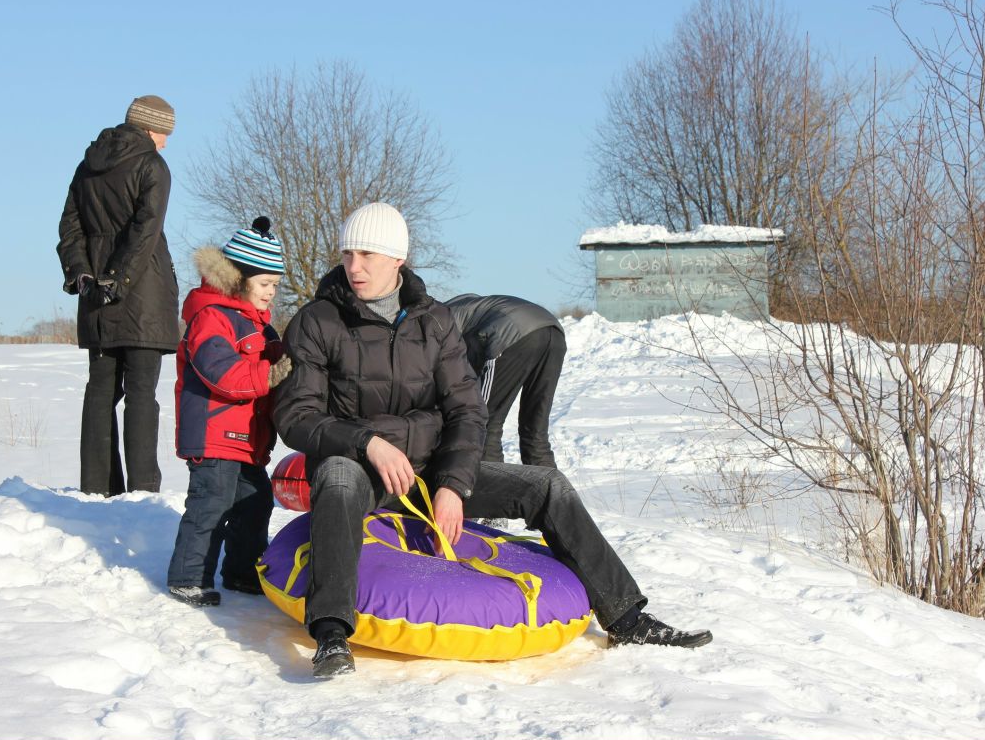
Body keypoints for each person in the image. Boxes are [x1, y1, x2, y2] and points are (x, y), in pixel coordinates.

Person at [273, 202, 712, 678]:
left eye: (366, 255)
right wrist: (367, 444)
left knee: (548, 486)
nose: (352, 266)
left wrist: (453, 483)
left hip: (427, 469)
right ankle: (333, 633)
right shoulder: (319, 321)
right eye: (347, 253)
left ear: (397, 260)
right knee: (336, 475)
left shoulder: (435, 322)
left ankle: (627, 617)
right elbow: (297, 415)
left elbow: (466, 409)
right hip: (361, 471)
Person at [57, 95, 181, 497]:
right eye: (165, 132)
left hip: (96, 295)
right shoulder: (153, 166)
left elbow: (69, 228)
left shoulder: (87, 165)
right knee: (142, 393)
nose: (166, 142)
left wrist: (83, 273)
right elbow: (146, 232)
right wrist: (119, 280)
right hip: (141, 295)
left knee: (101, 389)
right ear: (150, 127)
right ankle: (143, 491)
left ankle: (97, 488)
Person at [166, 217, 292, 607]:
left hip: (245, 443)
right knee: (212, 504)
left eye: (275, 285)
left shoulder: (259, 327)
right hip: (214, 435)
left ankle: (242, 571)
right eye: (264, 284)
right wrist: (268, 374)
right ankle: (188, 576)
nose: (271, 293)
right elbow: (219, 371)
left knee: (255, 502)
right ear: (239, 279)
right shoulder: (211, 317)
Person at [444, 293, 566, 468]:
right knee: (535, 433)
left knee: (482, 425)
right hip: (553, 332)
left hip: (511, 332)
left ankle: (492, 492)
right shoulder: (467, 307)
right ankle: (553, 494)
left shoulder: (433, 319)